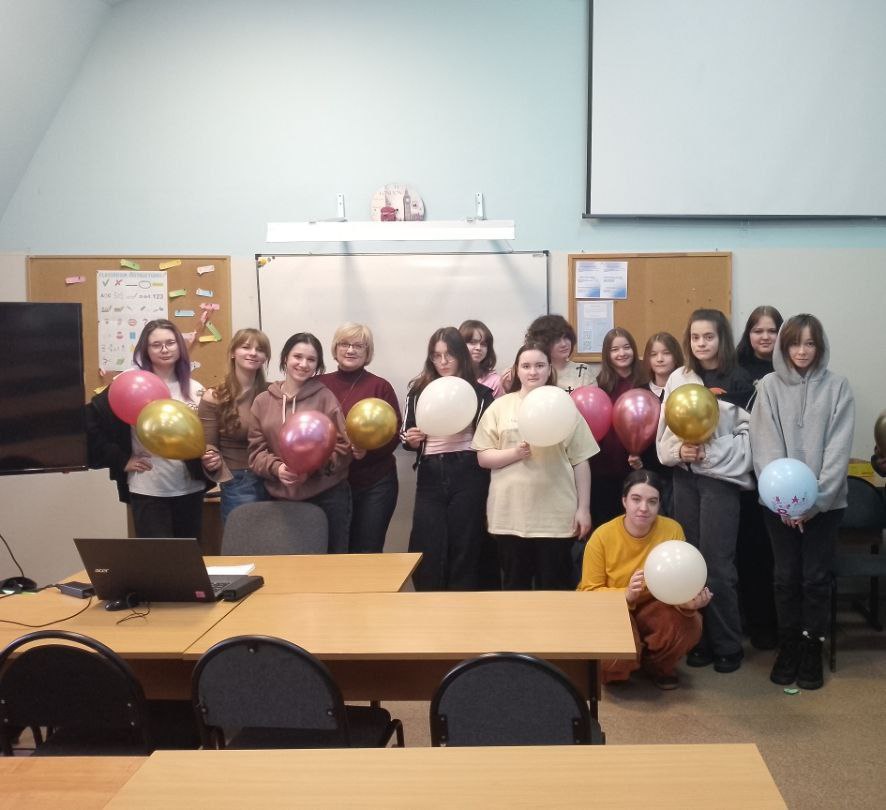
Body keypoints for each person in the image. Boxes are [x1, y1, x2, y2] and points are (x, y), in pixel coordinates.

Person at [751, 314, 854, 690]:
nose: (802, 351)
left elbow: (838, 450)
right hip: (778, 507)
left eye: (810, 343)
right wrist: (786, 502)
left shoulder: (838, 387)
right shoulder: (768, 386)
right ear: (784, 346)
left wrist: (815, 502)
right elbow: (764, 446)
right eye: (795, 343)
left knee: (814, 578)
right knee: (785, 577)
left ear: (820, 347)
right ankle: (789, 644)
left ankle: (812, 645)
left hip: (826, 506)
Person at [656, 309, 754, 673]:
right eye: (695, 337)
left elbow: (749, 440)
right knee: (690, 561)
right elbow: (664, 432)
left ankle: (727, 643)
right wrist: (678, 452)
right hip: (684, 481)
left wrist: (709, 454)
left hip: (720, 483)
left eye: (708, 337)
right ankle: (699, 640)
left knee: (717, 565)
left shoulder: (739, 380)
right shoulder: (679, 378)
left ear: (721, 338)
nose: (701, 344)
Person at [473, 343, 597, 589]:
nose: (533, 372)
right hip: (510, 516)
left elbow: (581, 460)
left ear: (549, 369)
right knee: (515, 589)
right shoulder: (500, 406)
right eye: (526, 366)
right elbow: (483, 457)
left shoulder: (564, 405)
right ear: (516, 370)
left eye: (540, 365)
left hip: (555, 518)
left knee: (555, 591)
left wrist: (583, 509)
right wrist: (515, 453)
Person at [579, 469, 712, 689]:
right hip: (614, 610)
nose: (643, 508)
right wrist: (625, 594)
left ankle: (658, 666)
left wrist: (687, 603)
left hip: (654, 607)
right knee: (613, 660)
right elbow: (588, 593)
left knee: (691, 623)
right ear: (624, 501)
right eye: (636, 499)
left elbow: (678, 583)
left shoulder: (672, 530)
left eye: (652, 501)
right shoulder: (602, 536)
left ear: (659, 504)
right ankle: (619, 669)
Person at [85, 319, 209, 538]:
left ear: (180, 345)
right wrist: (120, 459)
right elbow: (89, 420)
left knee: (189, 556)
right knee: (157, 557)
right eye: (156, 345)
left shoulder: (194, 388)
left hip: (190, 488)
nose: (164, 349)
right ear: (146, 349)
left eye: (170, 343)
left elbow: (206, 435)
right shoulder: (130, 383)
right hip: (148, 489)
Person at [402, 326, 493, 590]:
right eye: (436, 355)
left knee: (465, 541)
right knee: (427, 540)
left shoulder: (481, 393)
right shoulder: (418, 391)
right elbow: (406, 432)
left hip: (468, 470)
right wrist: (411, 439)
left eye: (449, 355)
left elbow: (488, 437)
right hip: (430, 471)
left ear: (461, 355)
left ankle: (463, 602)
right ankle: (429, 600)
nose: (442, 362)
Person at [248, 332, 352, 553]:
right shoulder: (262, 401)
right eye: (297, 356)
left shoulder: (325, 398)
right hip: (280, 500)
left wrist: (312, 468)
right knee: (288, 564)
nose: (303, 364)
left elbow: (343, 447)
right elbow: (256, 453)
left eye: (311, 359)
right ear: (285, 358)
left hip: (327, 498)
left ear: (317, 365)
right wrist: (278, 469)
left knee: (332, 563)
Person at [318, 323, 401, 553]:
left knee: (367, 551)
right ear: (335, 348)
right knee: (333, 552)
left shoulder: (380, 387)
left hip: (374, 484)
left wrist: (369, 451)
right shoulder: (318, 384)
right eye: (344, 344)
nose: (350, 350)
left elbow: (394, 433)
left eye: (358, 345)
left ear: (368, 351)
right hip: (330, 484)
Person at [735, 306, 784, 651]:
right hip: (744, 476)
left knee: (777, 554)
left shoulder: (790, 369)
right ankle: (757, 623)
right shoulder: (736, 371)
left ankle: (782, 623)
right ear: (748, 334)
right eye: (758, 330)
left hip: (782, 476)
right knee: (750, 552)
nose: (765, 337)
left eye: (772, 330)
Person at [199, 328, 271, 524]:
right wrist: (211, 458)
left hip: (274, 478)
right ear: (233, 352)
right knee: (243, 539)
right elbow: (208, 444)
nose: (253, 353)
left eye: (260, 349)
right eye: (246, 347)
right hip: (240, 480)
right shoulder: (214, 397)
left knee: (274, 540)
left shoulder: (274, 393)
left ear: (265, 357)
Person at [590, 327, 646, 528]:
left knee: (634, 523)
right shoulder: (599, 384)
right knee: (605, 524)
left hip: (636, 465)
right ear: (607, 354)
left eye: (626, 347)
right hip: (602, 466)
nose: (621, 353)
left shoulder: (645, 382)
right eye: (614, 349)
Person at [639, 332, 684, 515]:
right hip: (649, 471)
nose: (660, 359)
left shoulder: (684, 392)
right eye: (653, 354)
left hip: (678, 470)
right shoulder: (639, 393)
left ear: (676, 356)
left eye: (666, 353)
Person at [501, 314, 594, 394]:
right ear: (542, 342)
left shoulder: (583, 371)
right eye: (556, 340)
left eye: (566, 337)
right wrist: (510, 388)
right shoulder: (528, 371)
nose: (564, 344)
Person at [459, 319, 504, 398]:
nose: (478, 348)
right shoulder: (451, 375)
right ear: (460, 344)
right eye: (473, 342)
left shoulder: (496, 382)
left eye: (483, 344)